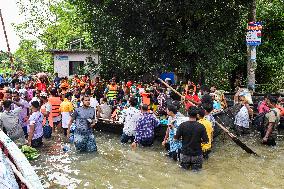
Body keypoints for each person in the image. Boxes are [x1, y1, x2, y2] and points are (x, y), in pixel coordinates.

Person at [174, 106, 208, 171]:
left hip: (185, 154)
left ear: (187, 114)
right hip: (197, 154)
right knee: (196, 174)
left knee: (183, 173)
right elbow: (206, 141)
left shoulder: (182, 125)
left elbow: (176, 139)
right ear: (197, 115)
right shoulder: (201, 126)